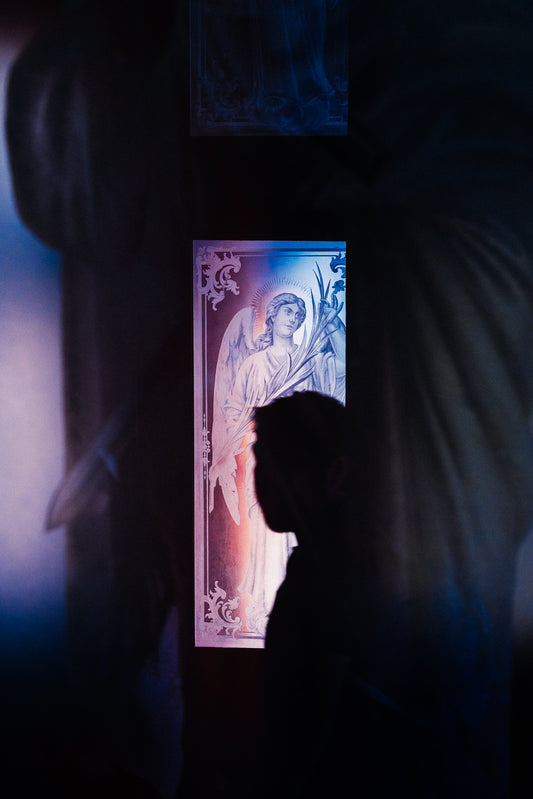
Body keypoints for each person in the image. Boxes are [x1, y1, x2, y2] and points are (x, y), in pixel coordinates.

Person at [209, 289, 346, 634]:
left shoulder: (309, 357)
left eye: (299, 316)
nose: (295, 319)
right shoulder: (255, 362)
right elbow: (234, 404)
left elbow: (339, 372)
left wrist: (332, 328)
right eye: (288, 313)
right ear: (271, 317)